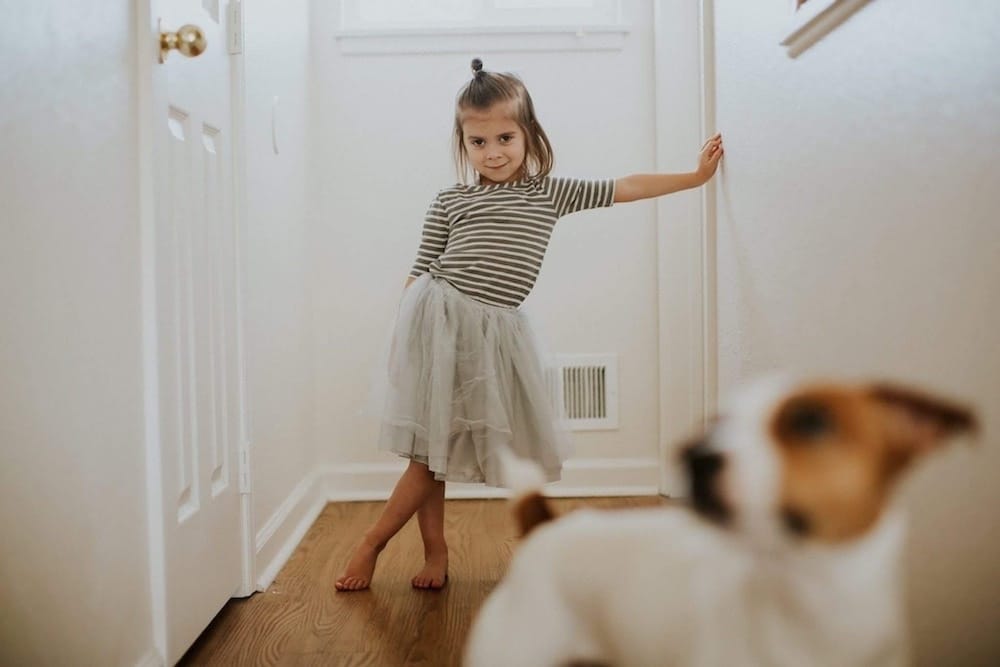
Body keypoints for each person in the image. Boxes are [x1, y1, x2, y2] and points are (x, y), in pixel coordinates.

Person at [335, 58, 723, 592]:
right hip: (440, 321)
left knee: (437, 454)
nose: (492, 152)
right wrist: (403, 344)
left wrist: (695, 177)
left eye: (504, 137)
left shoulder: (550, 193)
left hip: (495, 335)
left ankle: (431, 551)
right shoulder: (451, 200)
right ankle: (381, 544)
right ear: (462, 142)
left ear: (529, 134)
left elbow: (625, 186)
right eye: (477, 142)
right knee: (428, 454)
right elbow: (420, 269)